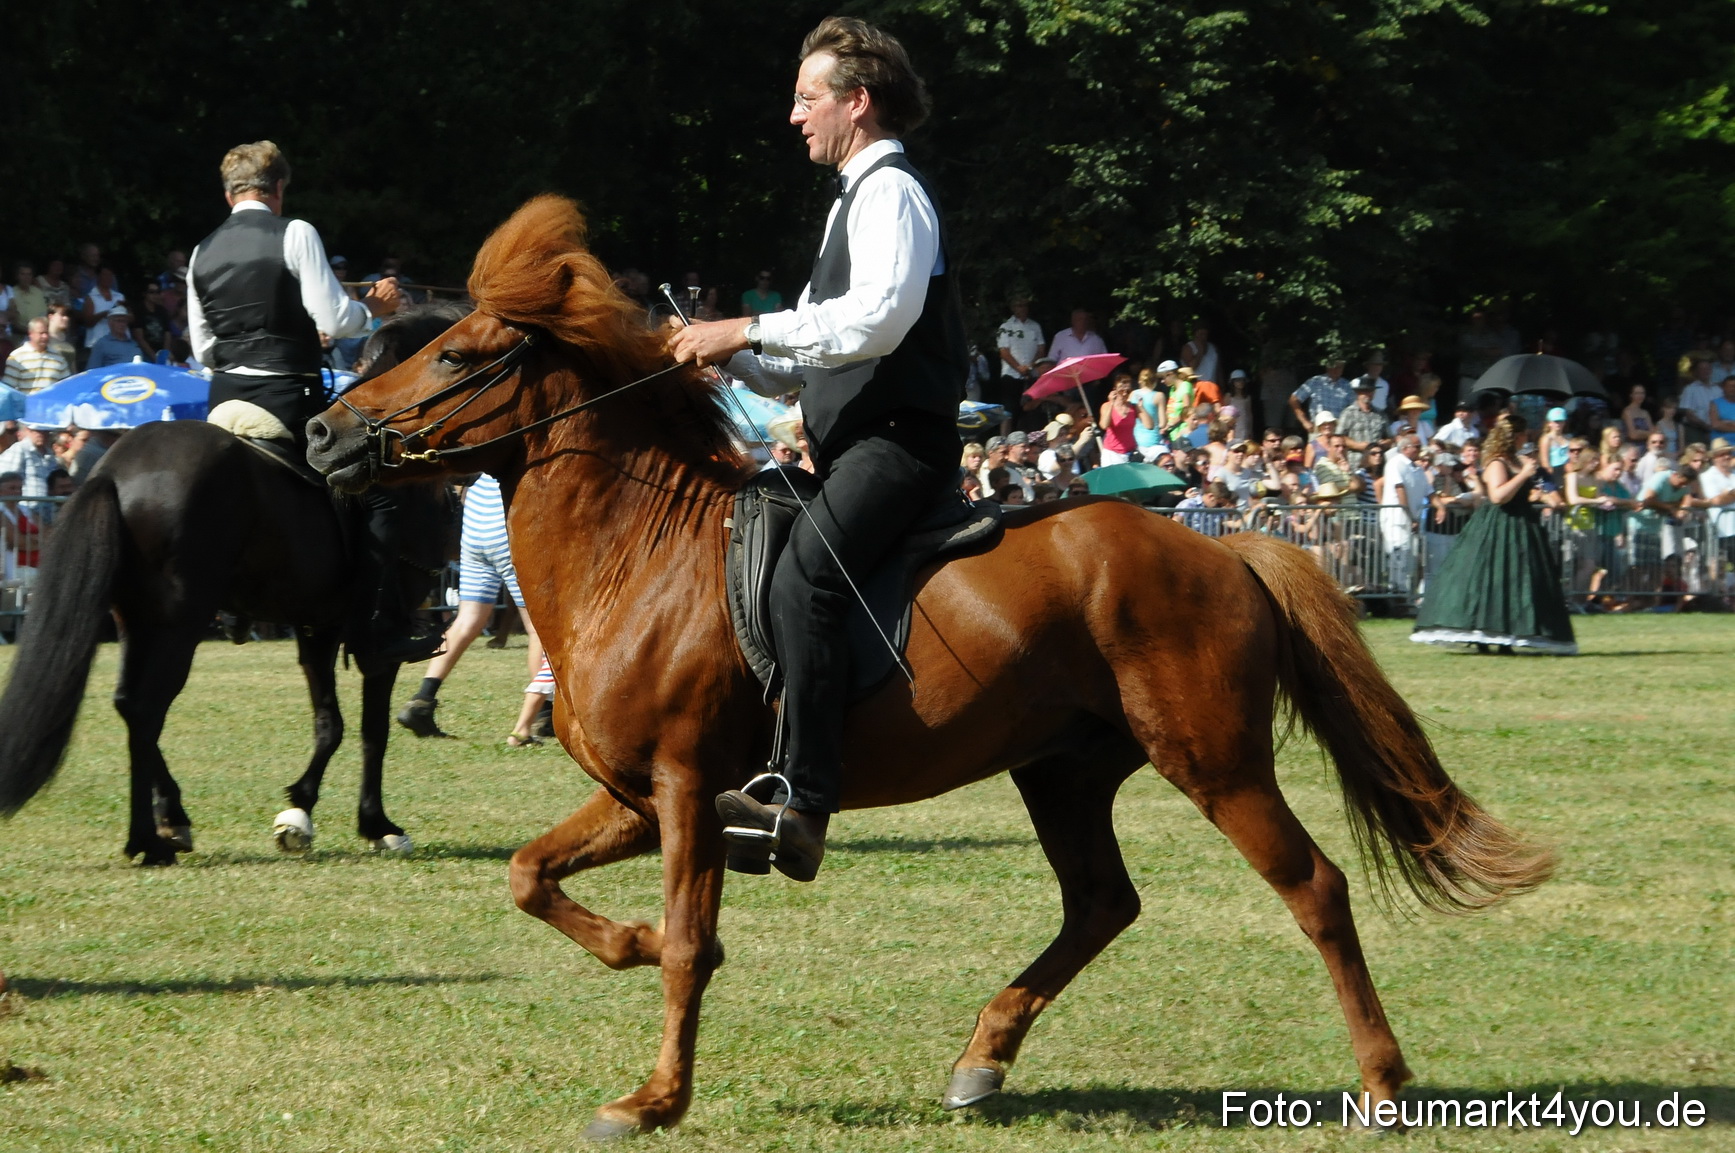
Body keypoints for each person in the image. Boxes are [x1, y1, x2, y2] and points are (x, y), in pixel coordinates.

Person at [667, 17, 964, 882]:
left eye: (807, 100)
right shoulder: (851, 205)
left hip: (898, 446)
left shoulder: (892, 195)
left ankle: (804, 803)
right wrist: (722, 352)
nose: (794, 117)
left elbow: (878, 318)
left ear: (856, 103)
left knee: (806, 576)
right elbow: (795, 360)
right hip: (849, 444)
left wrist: (745, 325)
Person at [185, 140, 433, 663]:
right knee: (380, 491)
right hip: (284, 399)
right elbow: (336, 321)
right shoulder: (295, 232)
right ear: (278, 188)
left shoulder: (200, 251)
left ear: (228, 193)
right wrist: (373, 306)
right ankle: (374, 627)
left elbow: (204, 348)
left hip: (221, 402)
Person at [1412, 413, 1576, 654]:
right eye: (1523, 435)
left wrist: (1537, 491)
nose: (1526, 439)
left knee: (1516, 582)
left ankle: (1510, 633)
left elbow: (1522, 493)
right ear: (1515, 436)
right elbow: (1498, 496)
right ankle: (1483, 634)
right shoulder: (1496, 463)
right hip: (1497, 526)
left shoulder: (1519, 461)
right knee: (1490, 580)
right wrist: (1523, 476)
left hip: (1521, 526)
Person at [397, 473, 545, 737]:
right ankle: (543, 715)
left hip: (476, 532)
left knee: (466, 621)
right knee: (536, 628)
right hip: (506, 533)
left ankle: (423, 699)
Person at [994, 296, 1044, 411]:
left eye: (1025, 305)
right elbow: (1004, 352)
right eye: (1019, 306)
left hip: (1032, 373)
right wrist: (1019, 368)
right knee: (1009, 408)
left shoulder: (1035, 326)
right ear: (1013, 308)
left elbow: (1041, 348)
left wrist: (1031, 366)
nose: (1023, 309)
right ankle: (1006, 430)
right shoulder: (1005, 327)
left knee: (1031, 407)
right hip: (1011, 374)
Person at [3, 318, 71, 393]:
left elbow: (66, 387)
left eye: (46, 333)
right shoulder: (17, 357)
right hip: (26, 403)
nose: (45, 336)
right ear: (30, 334)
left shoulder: (59, 358)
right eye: (41, 333)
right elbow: (8, 389)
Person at [1289, 355, 1352, 434]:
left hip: (1338, 429)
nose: (1336, 370)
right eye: (1334, 366)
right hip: (1318, 427)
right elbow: (1294, 399)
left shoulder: (1347, 385)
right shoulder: (1315, 381)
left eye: (1340, 367)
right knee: (1315, 446)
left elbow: (1354, 407)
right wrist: (1304, 421)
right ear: (1328, 367)